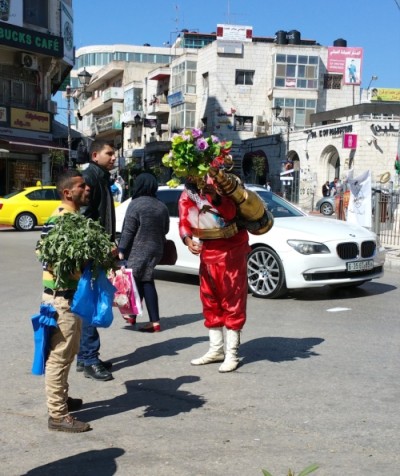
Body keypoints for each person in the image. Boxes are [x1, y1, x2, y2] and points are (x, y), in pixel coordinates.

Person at [178, 179, 251, 373]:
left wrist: (215, 195)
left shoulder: (224, 183)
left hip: (231, 252)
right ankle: (216, 349)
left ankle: (232, 353)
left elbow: (230, 212)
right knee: (209, 299)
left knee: (232, 299)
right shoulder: (190, 190)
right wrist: (187, 238)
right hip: (208, 251)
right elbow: (184, 216)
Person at [38, 170, 91, 432]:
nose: (87, 189)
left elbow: (41, 251)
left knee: (68, 353)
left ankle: (62, 399)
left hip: (67, 298)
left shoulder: (67, 219)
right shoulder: (64, 221)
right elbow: (51, 260)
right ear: (68, 192)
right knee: (59, 357)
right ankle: (58, 415)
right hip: (62, 299)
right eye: (82, 186)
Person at [76, 140, 116, 381]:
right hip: (91, 252)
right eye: (109, 153)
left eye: (114, 154)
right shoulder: (90, 177)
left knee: (89, 302)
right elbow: (83, 217)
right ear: (94, 155)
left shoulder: (100, 176)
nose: (113, 157)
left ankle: (84, 357)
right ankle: (89, 358)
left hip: (97, 250)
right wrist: (101, 245)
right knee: (90, 304)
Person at [118, 173, 169, 332]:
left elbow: (128, 230)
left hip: (138, 249)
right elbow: (166, 229)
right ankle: (149, 320)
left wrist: (121, 249)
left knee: (137, 280)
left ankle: (137, 316)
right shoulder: (161, 206)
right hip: (156, 248)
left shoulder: (136, 204)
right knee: (145, 279)